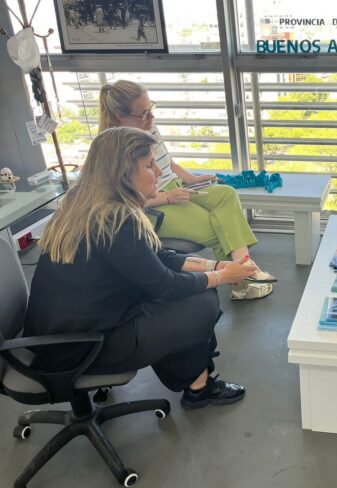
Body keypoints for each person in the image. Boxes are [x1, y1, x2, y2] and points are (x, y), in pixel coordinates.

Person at [24, 127, 257, 409]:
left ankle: (198, 383)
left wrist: (215, 265)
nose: (158, 172)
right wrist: (220, 277)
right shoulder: (116, 219)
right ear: (123, 173)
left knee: (194, 288)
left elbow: (157, 257)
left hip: (59, 335)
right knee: (200, 302)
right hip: (82, 347)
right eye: (149, 165)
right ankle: (199, 387)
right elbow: (166, 285)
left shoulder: (86, 205)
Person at [99, 80, 275, 300]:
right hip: (153, 205)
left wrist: (194, 179)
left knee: (226, 194)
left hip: (175, 188)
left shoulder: (148, 128)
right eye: (143, 114)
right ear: (120, 117)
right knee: (219, 228)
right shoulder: (114, 149)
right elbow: (122, 200)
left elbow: (169, 164)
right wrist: (166, 197)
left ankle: (246, 269)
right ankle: (243, 284)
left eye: (151, 109)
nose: (151, 118)